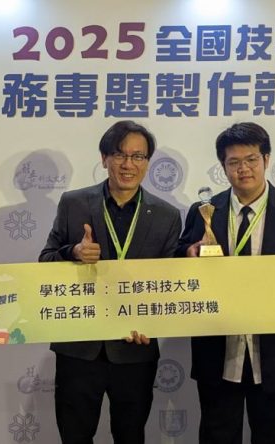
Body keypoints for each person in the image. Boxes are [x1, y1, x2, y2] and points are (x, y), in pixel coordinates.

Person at [177, 122, 275, 444]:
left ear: (266, 159)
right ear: (223, 166)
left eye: (251, 159)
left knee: (272, 436)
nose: (243, 169)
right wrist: (189, 254)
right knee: (216, 436)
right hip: (220, 352)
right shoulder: (205, 211)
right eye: (234, 162)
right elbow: (178, 263)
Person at [39, 120, 182, 444]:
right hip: (79, 346)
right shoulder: (74, 203)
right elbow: (45, 261)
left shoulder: (167, 215)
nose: (128, 164)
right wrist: (73, 252)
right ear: (104, 158)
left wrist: (153, 322)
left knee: (130, 436)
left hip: (135, 349)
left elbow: (170, 283)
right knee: (75, 437)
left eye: (138, 156)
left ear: (147, 162)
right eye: (120, 155)